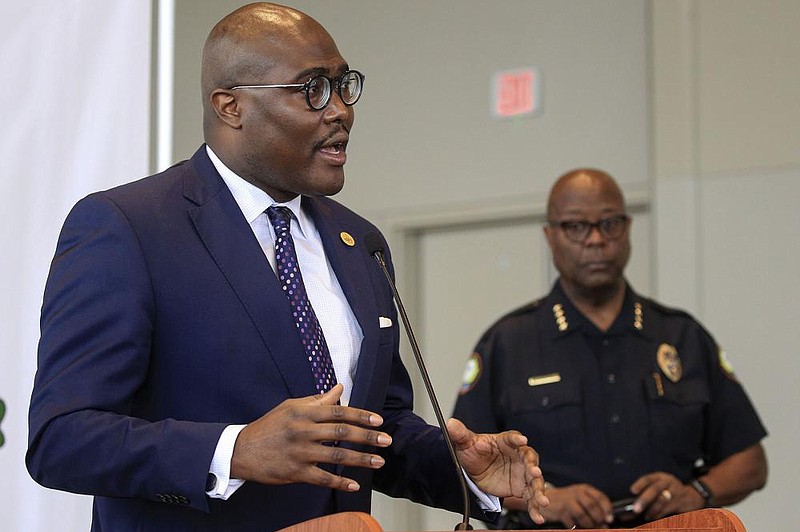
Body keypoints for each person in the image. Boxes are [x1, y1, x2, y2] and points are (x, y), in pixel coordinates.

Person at [26, 3, 549, 531]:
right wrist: (234, 449)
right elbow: (62, 437)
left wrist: (464, 471)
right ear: (231, 106)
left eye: (344, 85)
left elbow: (373, 429)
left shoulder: (358, 241)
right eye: (312, 89)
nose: (341, 110)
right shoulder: (130, 227)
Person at [452, 168, 768, 529]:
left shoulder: (682, 336)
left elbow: (751, 462)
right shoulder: (508, 343)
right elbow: (464, 469)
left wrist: (695, 492)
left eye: (609, 223)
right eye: (576, 226)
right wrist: (541, 497)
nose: (596, 240)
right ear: (550, 236)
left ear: (628, 228)